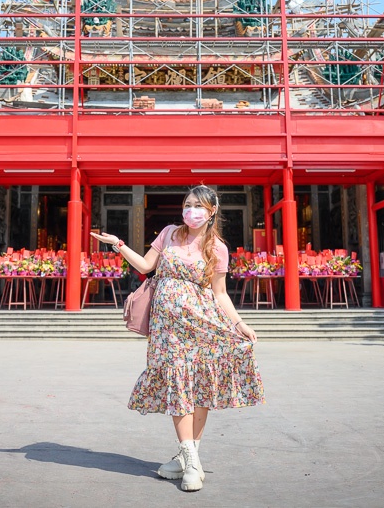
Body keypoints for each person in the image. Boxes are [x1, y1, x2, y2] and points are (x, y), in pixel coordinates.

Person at [91, 185, 264, 493]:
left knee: (198, 386)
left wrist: (239, 323)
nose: (190, 210)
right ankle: (191, 459)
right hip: (166, 330)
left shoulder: (218, 248)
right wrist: (118, 244)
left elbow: (220, 293)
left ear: (211, 211)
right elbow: (146, 267)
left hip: (201, 324)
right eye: (187, 204)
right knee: (178, 384)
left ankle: (187, 458)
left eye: (198, 205)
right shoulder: (169, 233)